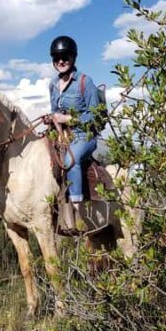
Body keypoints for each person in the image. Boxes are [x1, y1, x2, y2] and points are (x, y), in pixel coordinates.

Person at [47, 35, 102, 231]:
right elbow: (55, 111)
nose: (61, 61)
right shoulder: (53, 85)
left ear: (73, 58)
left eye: (65, 57)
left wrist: (69, 119)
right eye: (57, 58)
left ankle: (79, 213)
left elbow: (95, 116)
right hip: (63, 136)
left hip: (85, 135)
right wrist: (54, 120)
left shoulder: (85, 82)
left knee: (71, 161)